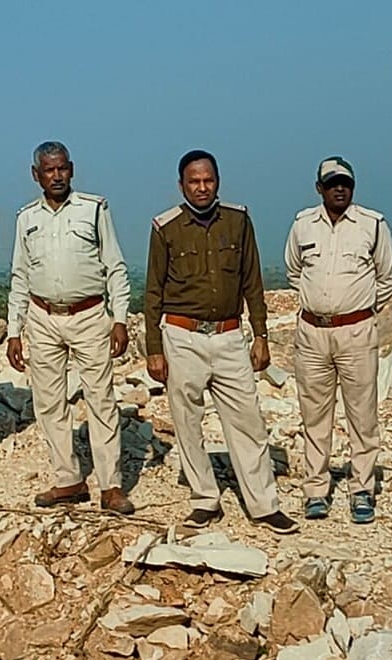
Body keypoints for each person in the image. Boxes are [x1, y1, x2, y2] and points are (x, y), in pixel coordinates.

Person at [143, 150, 297, 534]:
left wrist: (261, 335)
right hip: (182, 336)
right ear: (181, 185)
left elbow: (252, 281)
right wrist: (154, 349)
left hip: (229, 336)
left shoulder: (238, 220)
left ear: (218, 182)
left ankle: (264, 505)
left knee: (248, 421)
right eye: (194, 181)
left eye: (208, 180)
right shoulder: (165, 227)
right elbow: (153, 292)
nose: (202, 187)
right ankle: (204, 500)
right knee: (187, 422)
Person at [5, 141, 134, 514]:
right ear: (36, 175)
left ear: (72, 169)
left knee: (100, 399)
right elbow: (19, 275)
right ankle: (68, 480)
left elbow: (115, 266)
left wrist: (120, 318)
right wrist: (14, 330)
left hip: (89, 315)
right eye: (49, 170)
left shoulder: (93, 210)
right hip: (42, 317)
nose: (57, 176)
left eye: (62, 168)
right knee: (48, 402)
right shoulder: (26, 218)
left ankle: (111, 486)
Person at [285, 156, 392, 524]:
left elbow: (388, 278)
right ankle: (316, 490)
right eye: (332, 183)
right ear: (319, 188)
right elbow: (294, 271)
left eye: (345, 183)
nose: (339, 189)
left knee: (362, 414)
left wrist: (359, 309)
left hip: (356, 333)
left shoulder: (373, 225)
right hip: (312, 334)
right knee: (314, 415)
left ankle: (362, 489)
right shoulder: (303, 224)